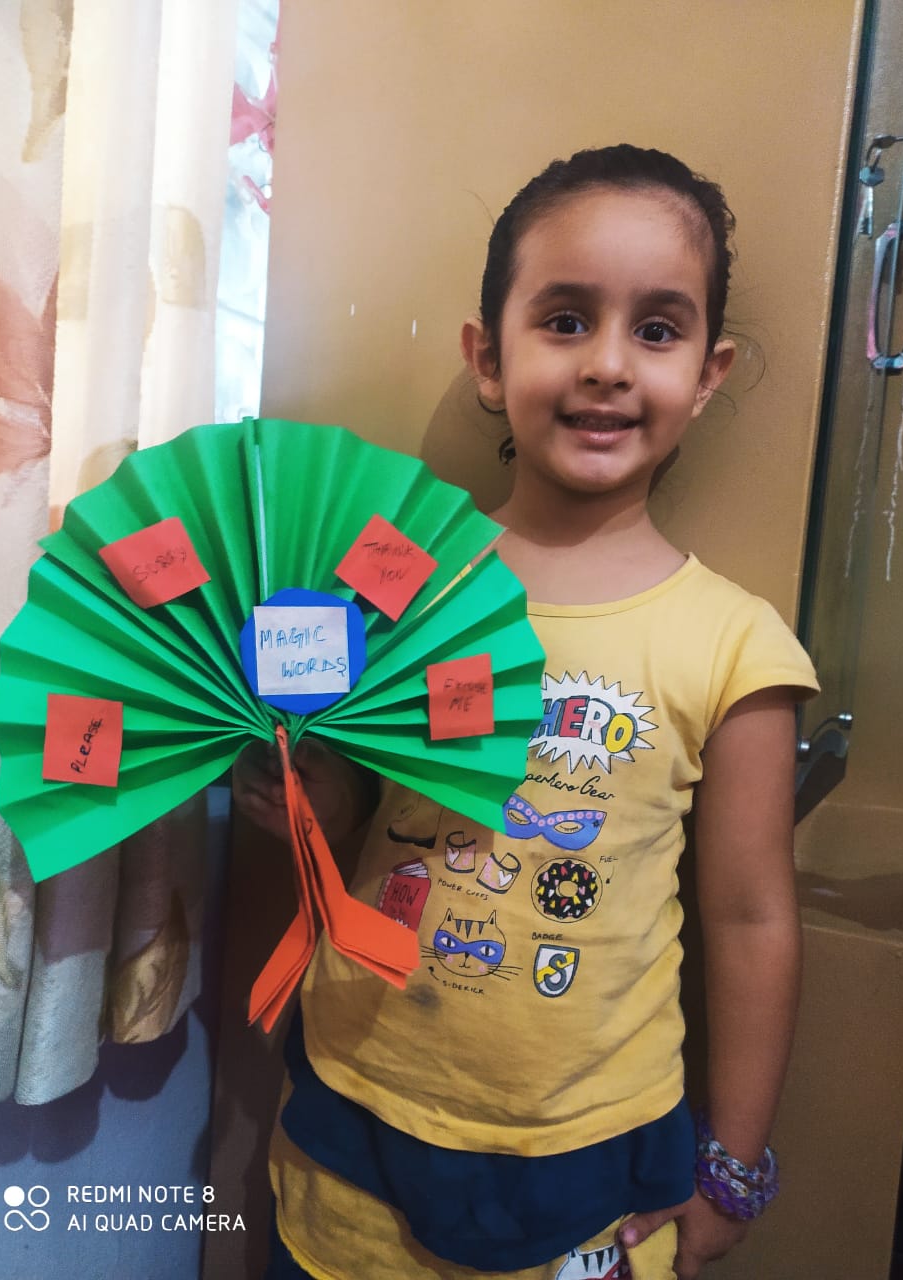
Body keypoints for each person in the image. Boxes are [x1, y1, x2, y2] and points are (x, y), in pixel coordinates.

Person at [234, 144, 819, 1280]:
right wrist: (299, 792)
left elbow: (753, 919)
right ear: (488, 359)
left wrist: (734, 1167)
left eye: (657, 329)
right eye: (564, 320)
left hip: (591, 1156)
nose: (607, 364)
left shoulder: (737, 647)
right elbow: (358, 808)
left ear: (708, 373)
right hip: (354, 1112)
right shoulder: (404, 587)